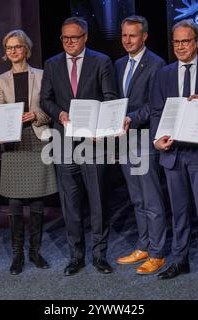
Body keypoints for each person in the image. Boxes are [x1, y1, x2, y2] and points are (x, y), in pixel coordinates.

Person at [150, 19, 198, 285]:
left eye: (185, 41)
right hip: (173, 154)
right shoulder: (163, 73)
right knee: (179, 212)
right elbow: (157, 112)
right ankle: (180, 261)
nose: (180, 47)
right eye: (176, 42)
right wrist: (156, 140)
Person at [40, 17, 118, 276]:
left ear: (85, 37)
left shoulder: (101, 61)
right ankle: (76, 256)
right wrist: (59, 114)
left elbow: (110, 98)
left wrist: (99, 126)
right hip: (63, 141)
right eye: (64, 38)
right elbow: (45, 100)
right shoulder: (52, 64)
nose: (69, 42)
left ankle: (99, 255)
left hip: (93, 142)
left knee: (97, 201)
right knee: (70, 204)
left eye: (74, 37)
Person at [0, 29, 57, 275]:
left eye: (17, 47)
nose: (13, 51)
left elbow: (50, 107)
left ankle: (35, 251)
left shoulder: (41, 75)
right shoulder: (0, 80)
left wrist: (36, 115)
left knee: (38, 199)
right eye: (9, 48)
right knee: (15, 201)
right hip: (12, 141)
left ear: (26, 49)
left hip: (37, 136)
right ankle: (18, 254)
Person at [114, 16, 167, 275]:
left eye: (132, 35)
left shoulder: (157, 64)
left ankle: (157, 253)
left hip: (145, 138)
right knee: (136, 198)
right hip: (124, 140)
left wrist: (132, 118)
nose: (127, 40)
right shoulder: (118, 64)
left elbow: (156, 105)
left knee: (152, 199)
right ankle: (143, 245)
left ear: (144, 36)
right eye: (124, 35)